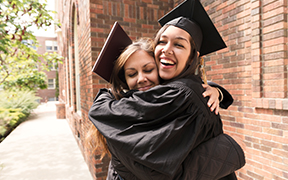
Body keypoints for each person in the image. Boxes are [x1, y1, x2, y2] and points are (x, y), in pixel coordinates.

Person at [88, 0, 245, 179]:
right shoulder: (177, 91)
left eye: (179, 45)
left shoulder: (178, 96)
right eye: (162, 42)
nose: (167, 50)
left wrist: (105, 96)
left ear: (193, 56)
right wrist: (218, 91)